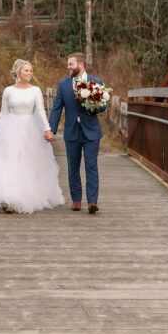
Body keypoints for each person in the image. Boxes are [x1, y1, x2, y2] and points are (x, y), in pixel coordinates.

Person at [0, 60, 64, 214]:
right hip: (9, 128)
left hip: (29, 129)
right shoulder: (8, 91)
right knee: (8, 163)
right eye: (26, 71)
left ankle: (22, 197)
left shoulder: (35, 90)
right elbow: (3, 112)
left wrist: (47, 129)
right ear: (18, 72)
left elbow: (40, 111)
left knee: (25, 164)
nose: (30, 74)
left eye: (31, 71)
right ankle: (7, 199)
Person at [45, 54, 106, 214]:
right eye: (68, 64)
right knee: (73, 167)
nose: (68, 67)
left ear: (81, 64)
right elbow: (57, 108)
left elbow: (102, 107)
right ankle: (76, 200)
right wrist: (52, 129)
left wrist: (93, 103)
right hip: (71, 131)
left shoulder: (96, 81)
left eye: (70, 64)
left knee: (91, 166)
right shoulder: (64, 85)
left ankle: (92, 202)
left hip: (91, 131)